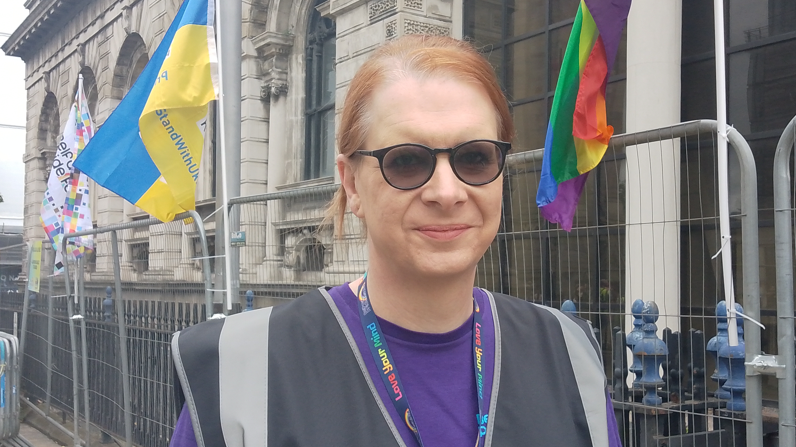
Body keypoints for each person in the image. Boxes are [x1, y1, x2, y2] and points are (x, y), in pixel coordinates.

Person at [169, 35, 622, 447]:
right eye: (406, 161)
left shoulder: (570, 353)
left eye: (475, 157)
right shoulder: (242, 370)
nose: (447, 193)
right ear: (351, 185)